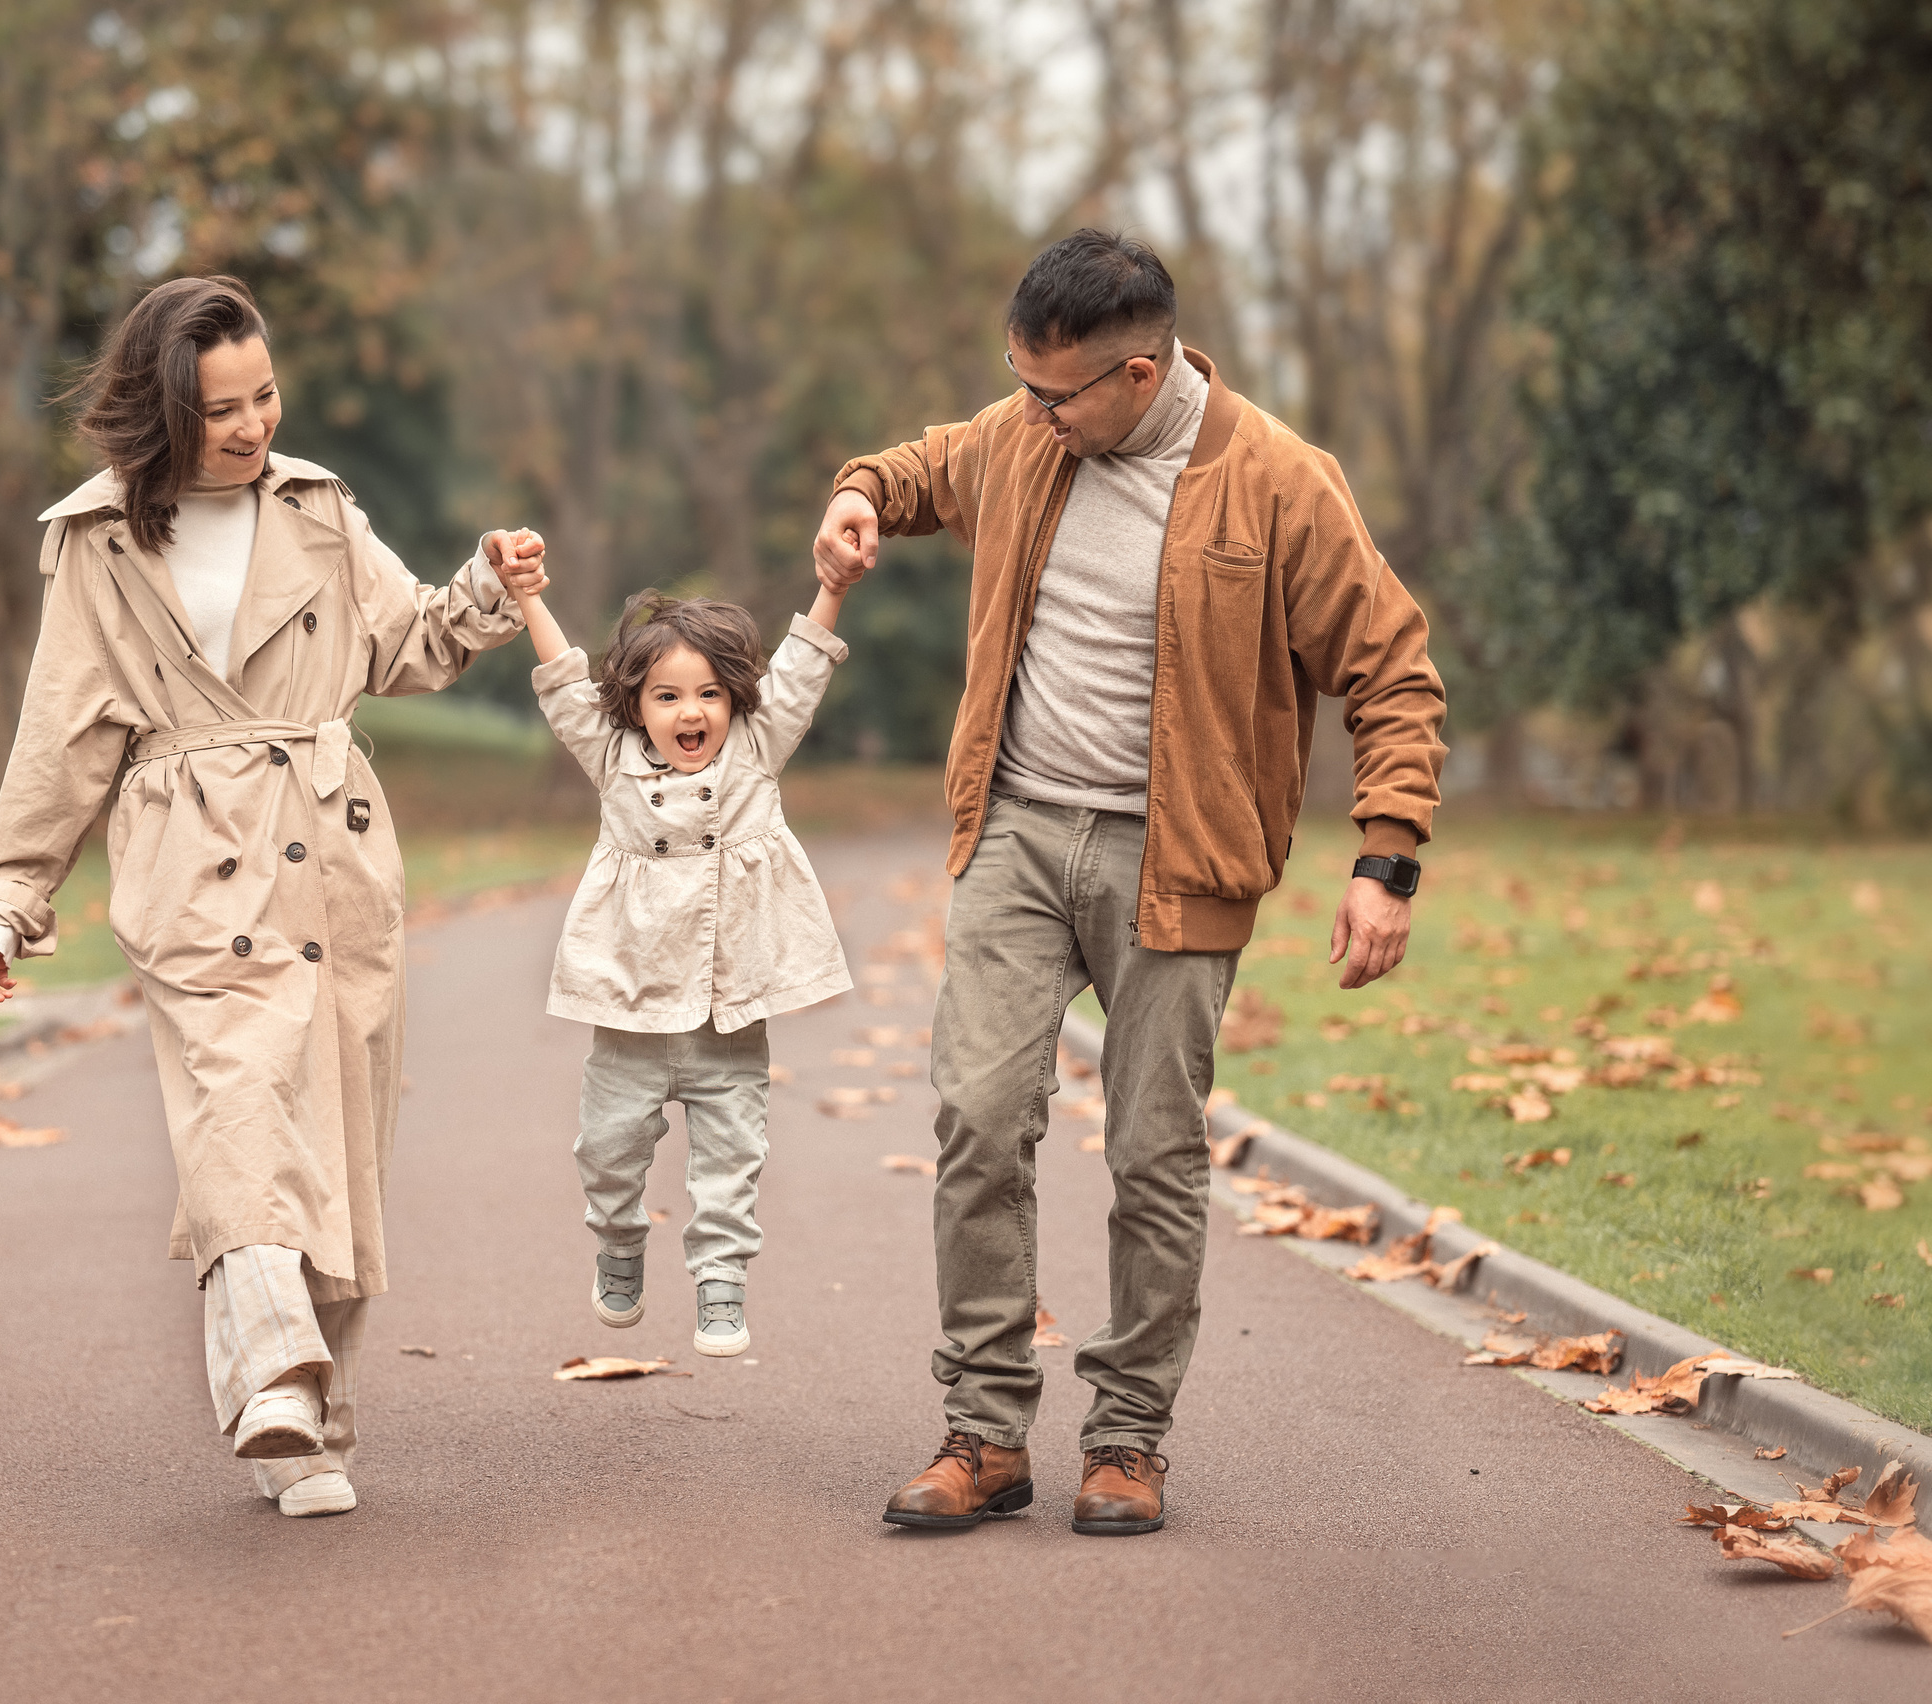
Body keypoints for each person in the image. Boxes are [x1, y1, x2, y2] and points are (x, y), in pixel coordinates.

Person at [815, 231, 1446, 1535]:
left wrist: (1387, 860)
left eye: (1056, 395)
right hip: (1019, 838)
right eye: (1019, 386)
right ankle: (985, 1433)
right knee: (980, 1121)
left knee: (1156, 1155)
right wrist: (861, 491)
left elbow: (1391, 668)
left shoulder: (1277, 481)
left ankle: (1129, 1439)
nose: (1030, 415)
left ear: (1142, 372)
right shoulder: (1025, 437)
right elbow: (923, 463)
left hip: (1184, 862)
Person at [0, 275, 545, 1519]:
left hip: (332, 859)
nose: (250, 424)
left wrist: (487, 585)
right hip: (188, 867)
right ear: (163, 408)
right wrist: (11, 897)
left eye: (264, 396)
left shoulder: (319, 510)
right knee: (238, 1103)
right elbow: (63, 729)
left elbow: (408, 646)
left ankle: (312, 1426)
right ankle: (269, 1368)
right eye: (221, 407)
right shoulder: (97, 539)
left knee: (339, 1146)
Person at [508, 570, 855, 1360]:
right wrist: (528, 596)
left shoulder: (757, 755)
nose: (689, 712)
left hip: (726, 1017)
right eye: (666, 696)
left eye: (708, 695)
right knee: (606, 1153)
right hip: (631, 1016)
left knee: (733, 1159)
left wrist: (832, 584)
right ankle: (621, 1244)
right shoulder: (613, 759)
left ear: (736, 700)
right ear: (634, 707)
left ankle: (722, 1279)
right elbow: (565, 687)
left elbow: (802, 670)